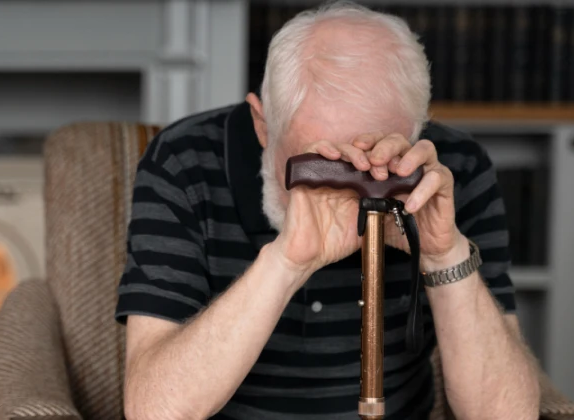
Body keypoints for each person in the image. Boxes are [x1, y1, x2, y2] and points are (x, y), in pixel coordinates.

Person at [115, 2, 539, 419]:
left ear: (415, 131)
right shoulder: (184, 162)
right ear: (263, 126)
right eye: (317, 165)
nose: (345, 191)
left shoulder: (452, 172)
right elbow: (155, 410)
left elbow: (505, 414)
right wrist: (286, 263)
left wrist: (443, 255)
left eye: (373, 167)